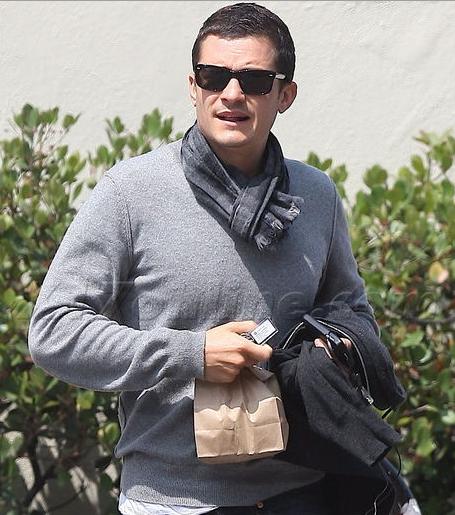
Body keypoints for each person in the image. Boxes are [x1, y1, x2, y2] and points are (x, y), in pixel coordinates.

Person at [28, 3, 389, 514]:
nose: (232, 94)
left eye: (255, 81)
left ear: (285, 95)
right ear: (193, 86)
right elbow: (53, 332)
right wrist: (192, 354)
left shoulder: (316, 195)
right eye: (214, 76)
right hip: (174, 498)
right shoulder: (131, 192)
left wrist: (335, 347)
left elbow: (353, 312)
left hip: (303, 490)